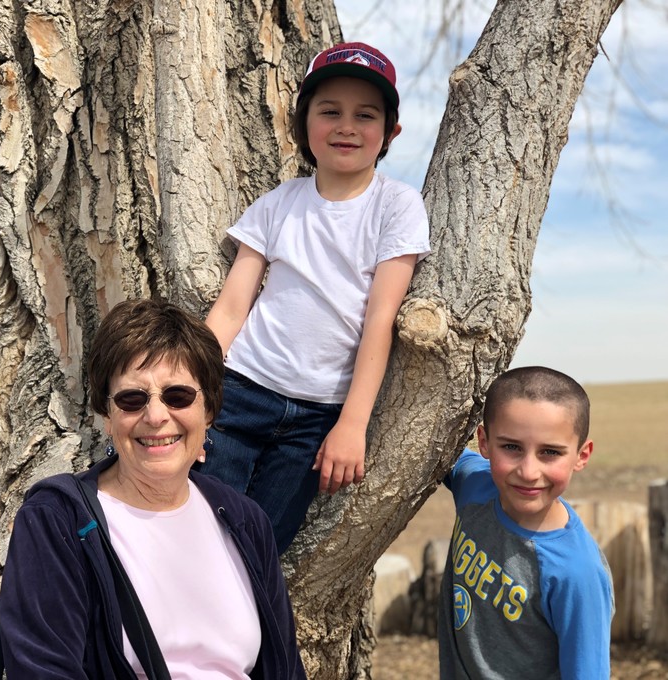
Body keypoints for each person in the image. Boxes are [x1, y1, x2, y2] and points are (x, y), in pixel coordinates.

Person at [199, 42, 431, 552]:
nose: (346, 125)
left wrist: (352, 423)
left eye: (365, 115)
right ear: (303, 123)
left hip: (318, 418)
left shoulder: (397, 205)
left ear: (390, 133)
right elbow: (233, 307)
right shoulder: (279, 203)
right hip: (238, 391)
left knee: (259, 546)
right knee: (198, 527)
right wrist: (194, 393)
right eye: (330, 111)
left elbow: (380, 321)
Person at [0, 299, 305, 679]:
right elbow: (42, 669)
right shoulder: (58, 520)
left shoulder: (244, 520)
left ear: (208, 410)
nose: (156, 416)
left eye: (178, 396)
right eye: (131, 399)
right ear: (108, 417)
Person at [439, 366, 614, 679]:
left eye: (550, 452)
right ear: (483, 442)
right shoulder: (475, 486)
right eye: (511, 447)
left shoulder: (577, 573)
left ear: (581, 455)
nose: (529, 471)